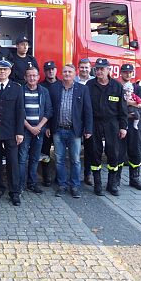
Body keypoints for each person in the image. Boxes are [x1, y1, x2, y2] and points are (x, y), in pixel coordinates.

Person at [48, 64, 93, 198]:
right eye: (65, 71)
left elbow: (88, 110)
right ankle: (62, 185)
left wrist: (88, 129)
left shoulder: (82, 89)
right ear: (61, 73)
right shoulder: (54, 88)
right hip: (58, 130)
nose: (67, 74)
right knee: (59, 159)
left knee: (75, 160)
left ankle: (74, 186)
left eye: (70, 72)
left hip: (75, 131)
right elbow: (49, 110)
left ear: (75, 74)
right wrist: (48, 128)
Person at [0, 59, 25, 206]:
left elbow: (20, 111)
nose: (2, 72)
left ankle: (14, 192)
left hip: (11, 131)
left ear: (9, 71)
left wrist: (19, 132)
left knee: (12, 163)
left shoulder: (17, 88)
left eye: (5, 69)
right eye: (0, 69)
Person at [86, 58, 127, 196]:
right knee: (95, 153)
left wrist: (123, 127)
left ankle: (112, 184)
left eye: (102, 69)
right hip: (95, 123)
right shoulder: (89, 85)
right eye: (97, 69)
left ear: (109, 70)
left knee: (113, 153)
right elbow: (85, 108)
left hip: (112, 124)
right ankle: (97, 184)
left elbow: (123, 109)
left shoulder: (116, 86)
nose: (99, 71)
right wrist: (87, 127)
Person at [19, 66, 52, 194]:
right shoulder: (20, 91)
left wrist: (38, 127)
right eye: (29, 75)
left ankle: (32, 184)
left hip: (39, 131)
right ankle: (20, 185)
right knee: (22, 159)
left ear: (38, 77)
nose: (32, 78)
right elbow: (18, 112)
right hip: (24, 130)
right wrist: (29, 127)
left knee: (34, 158)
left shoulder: (44, 91)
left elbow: (49, 111)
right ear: (25, 77)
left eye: (34, 75)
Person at [119, 63, 141, 191]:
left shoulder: (137, 88)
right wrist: (133, 103)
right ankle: (115, 180)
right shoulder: (117, 86)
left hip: (134, 123)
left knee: (135, 150)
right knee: (118, 152)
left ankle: (134, 179)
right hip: (121, 123)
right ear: (121, 73)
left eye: (130, 72)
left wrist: (126, 102)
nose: (127, 74)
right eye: (125, 72)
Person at [39, 61, 61, 187]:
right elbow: (41, 108)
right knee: (45, 153)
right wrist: (45, 126)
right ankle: (46, 177)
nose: (50, 71)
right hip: (46, 126)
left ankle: (59, 177)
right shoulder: (41, 86)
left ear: (56, 70)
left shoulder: (62, 85)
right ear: (45, 71)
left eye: (52, 69)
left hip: (58, 125)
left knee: (60, 153)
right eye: (48, 70)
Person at [75, 58, 95, 186]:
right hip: (76, 119)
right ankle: (74, 175)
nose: (84, 70)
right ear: (78, 68)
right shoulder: (73, 80)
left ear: (90, 68)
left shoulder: (94, 82)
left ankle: (88, 174)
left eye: (86, 67)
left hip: (90, 119)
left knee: (89, 149)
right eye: (82, 67)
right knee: (75, 149)